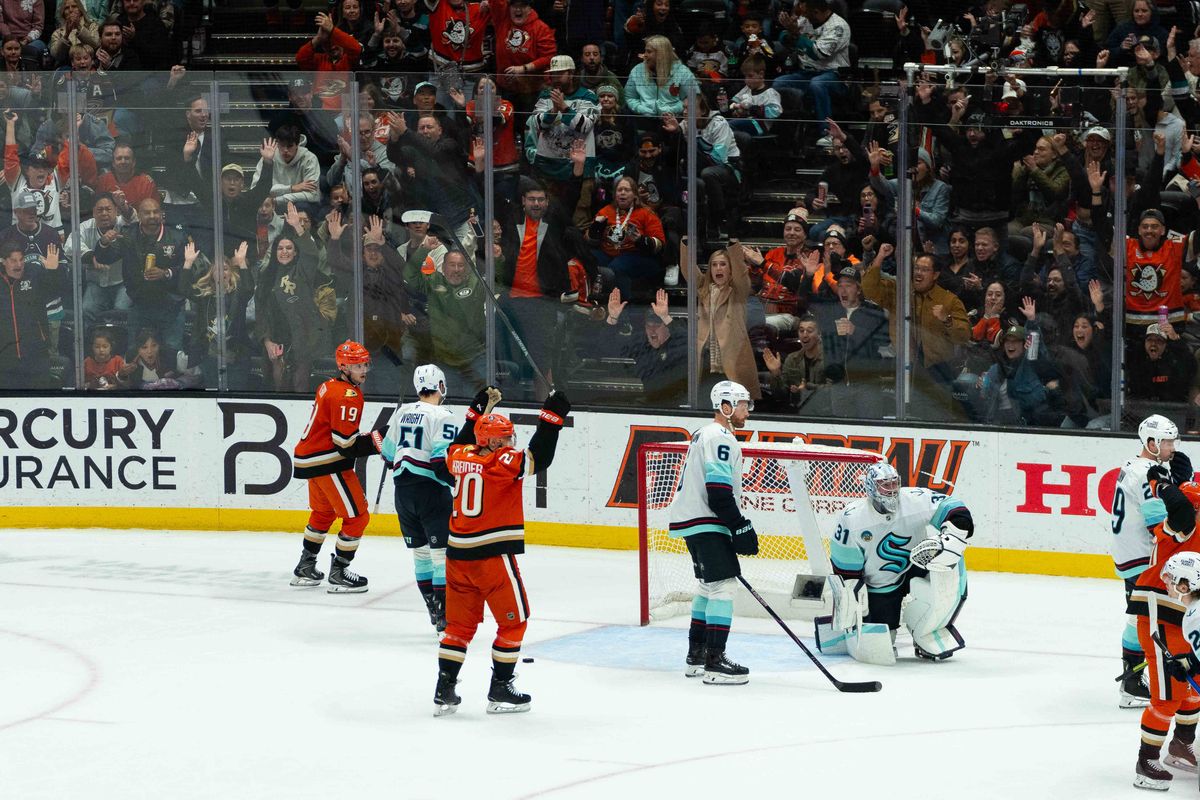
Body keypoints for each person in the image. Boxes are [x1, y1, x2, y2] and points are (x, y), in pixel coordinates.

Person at [434, 388, 572, 716]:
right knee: (514, 623)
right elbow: (540, 457)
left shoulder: (459, 456)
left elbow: (457, 445)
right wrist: (552, 417)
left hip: (457, 558)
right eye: (506, 438)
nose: (511, 442)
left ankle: (444, 690)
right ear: (494, 443)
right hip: (491, 558)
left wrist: (477, 411)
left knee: (458, 629)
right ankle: (501, 688)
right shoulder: (501, 461)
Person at [817, 463, 974, 664]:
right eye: (884, 484)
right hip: (880, 583)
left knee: (949, 562)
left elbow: (954, 507)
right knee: (883, 637)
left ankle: (927, 632)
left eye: (894, 483)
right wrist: (852, 599)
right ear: (871, 487)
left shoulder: (914, 500)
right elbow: (845, 567)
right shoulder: (853, 518)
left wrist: (955, 533)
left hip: (918, 565)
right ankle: (859, 629)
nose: (891, 489)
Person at [667, 381, 758, 684]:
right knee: (723, 587)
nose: (748, 411)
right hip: (706, 520)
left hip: (694, 520)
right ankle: (715, 663)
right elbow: (718, 492)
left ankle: (697, 656)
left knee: (708, 587)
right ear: (726, 406)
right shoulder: (720, 437)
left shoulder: (704, 433)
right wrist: (739, 524)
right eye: (743, 405)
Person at [289, 340, 388, 593]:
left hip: (311, 458)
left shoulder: (328, 385)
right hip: (327, 461)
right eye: (357, 366)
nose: (363, 370)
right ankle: (339, 572)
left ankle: (305, 567)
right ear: (343, 367)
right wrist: (381, 438)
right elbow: (346, 444)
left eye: (365, 364)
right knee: (358, 517)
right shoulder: (348, 395)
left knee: (323, 513)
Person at [1112, 414, 1192, 708]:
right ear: (1151, 442)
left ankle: (1133, 681)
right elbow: (1160, 525)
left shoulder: (1134, 465)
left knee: (1138, 617)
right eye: (1167, 442)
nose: (1172, 447)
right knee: (1152, 617)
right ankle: (1136, 682)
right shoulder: (1146, 473)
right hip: (1144, 557)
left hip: (1130, 554)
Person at [1127, 481, 1200, 789]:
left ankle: (1182, 745)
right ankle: (1146, 762)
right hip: (1161, 615)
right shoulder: (1182, 525)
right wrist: (1161, 483)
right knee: (1167, 695)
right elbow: (1182, 511)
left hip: (1185, 617)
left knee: (1194, 685)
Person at [381, 365, 461, 633]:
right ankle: (444, 618)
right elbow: (440, 461)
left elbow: (387, 455)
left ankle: (433, 609)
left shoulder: (402, 412)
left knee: (421, 554)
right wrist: (458, 485)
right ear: (441, 386)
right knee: (441, 555)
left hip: (402, 492)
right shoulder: (444, 415)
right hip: (431, 491)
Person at [0, 242, 62, 389]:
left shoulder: (34, 273)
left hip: (36, 356)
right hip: (5, 360)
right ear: (3, 261)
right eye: (13, 260)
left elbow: (56, 290)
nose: (19, 265)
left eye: (21, 259)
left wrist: (53, 270)